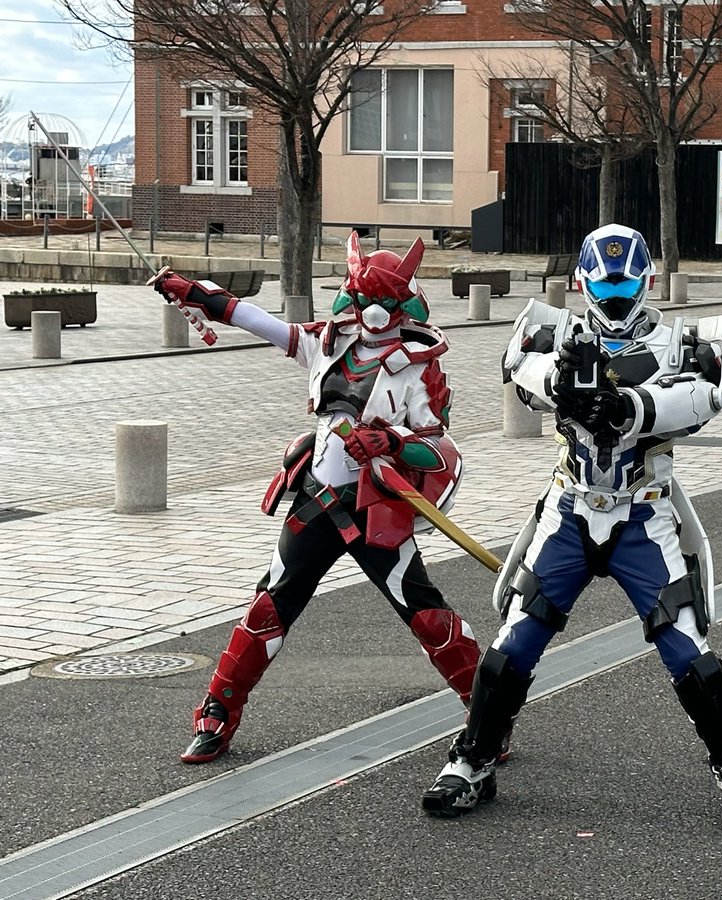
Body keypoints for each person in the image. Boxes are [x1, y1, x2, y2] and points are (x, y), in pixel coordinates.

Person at [420, 223, 722, 829]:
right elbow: (518, 368)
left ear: (647, 282)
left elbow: (707, 396)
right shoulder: (556, 333)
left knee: (687, 648)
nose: (614, 297)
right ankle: (472, 760)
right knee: (513, 644)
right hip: (571, 510)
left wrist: (630, 405)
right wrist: (558, 381)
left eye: (625, 285)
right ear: (583, 283)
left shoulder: (681, 342)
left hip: (644, 512)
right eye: (604, 285)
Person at [151, 234, 482, 764]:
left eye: (386, 301)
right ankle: (217, 711)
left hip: (375, 507)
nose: (374, 312)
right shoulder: (328, 344)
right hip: (317, 498)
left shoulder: (420, 365)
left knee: (424, 612)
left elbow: (439, 448)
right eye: (366, 298)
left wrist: (392, 442)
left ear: (407, 303)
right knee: (269, 606)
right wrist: (197, 293)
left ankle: (487, 716)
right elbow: (261, 322)